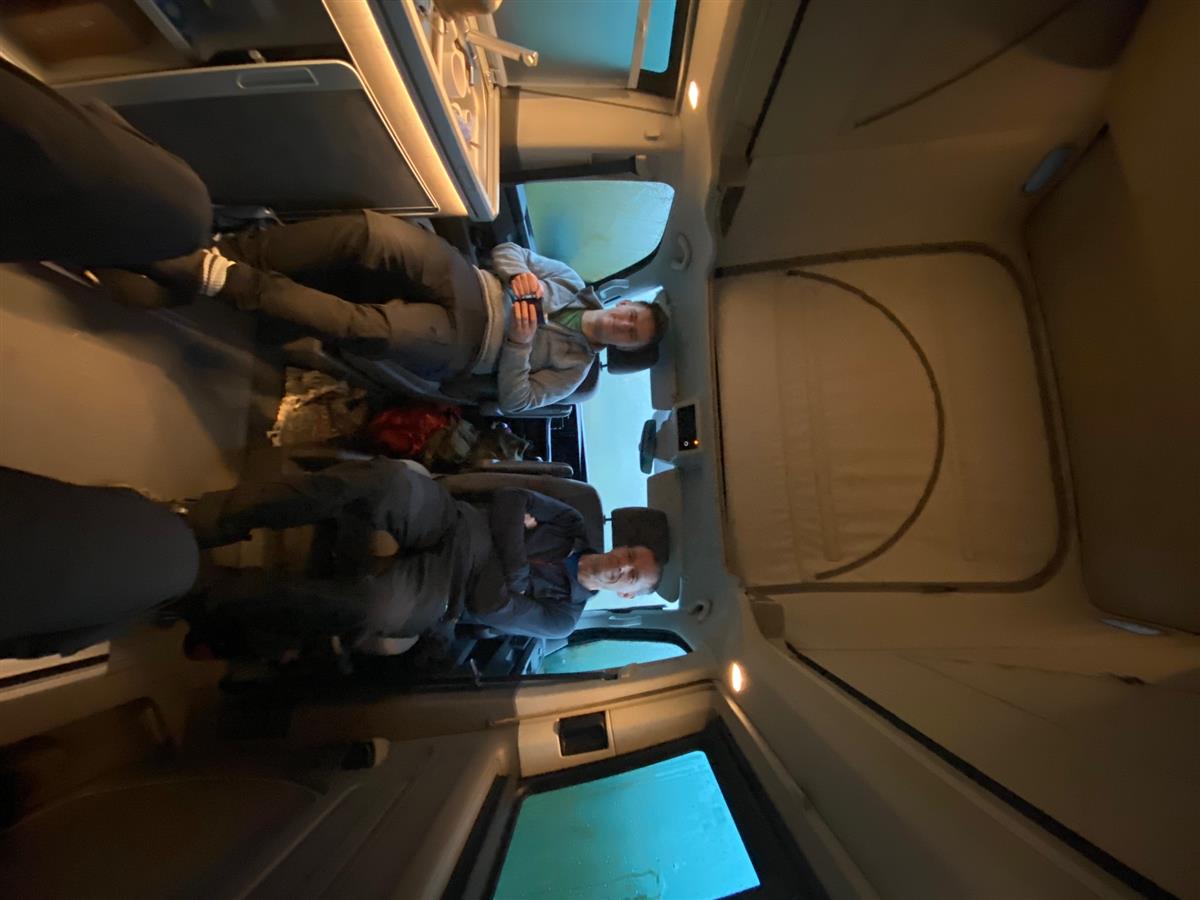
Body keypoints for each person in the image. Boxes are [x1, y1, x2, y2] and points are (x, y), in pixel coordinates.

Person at [100, 213, 669, 413]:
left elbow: (517, 400)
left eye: (631, 335)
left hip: (468, 343)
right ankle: (232, 249)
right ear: (624, 304)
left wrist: (520, 343)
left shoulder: (574, 371)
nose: (624, 324)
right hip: (468, 281)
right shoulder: (571, 282)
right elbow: (508, 250)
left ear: (623, 350)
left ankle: (221, 278)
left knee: (365, 327)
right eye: (632, 315)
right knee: (371, 235)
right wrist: (520, 274)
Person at [177, 457, 660, 659]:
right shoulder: (573, 522)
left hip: (444, 593)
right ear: (621, 546)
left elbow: (489, 606)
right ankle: (211, 517)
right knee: (387, 483)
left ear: (625, 594)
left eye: (633, 577)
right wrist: (513, 572)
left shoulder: (562, 620)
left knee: (369, 609)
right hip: (453, 520)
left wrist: (511, 542)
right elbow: (510, 499)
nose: (625, 566)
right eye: (631, 556)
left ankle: (214, 592)